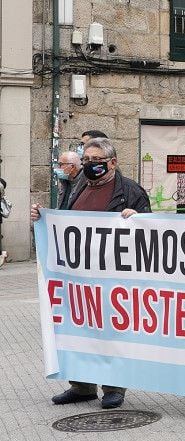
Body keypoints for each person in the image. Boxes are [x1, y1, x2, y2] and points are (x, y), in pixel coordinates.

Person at [31, 136, 150, 410]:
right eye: (86, 160)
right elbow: (63, 222)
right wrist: (42, 218)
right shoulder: (76, 187)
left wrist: (138, 218)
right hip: (78, 277)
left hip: (112, 278)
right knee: (77, 330)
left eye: (96, 160)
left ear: (112, 162)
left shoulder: (130, 191)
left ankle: (113, 387)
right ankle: (82, 386)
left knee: (109, 332)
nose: (90, 165)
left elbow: (148, 233)